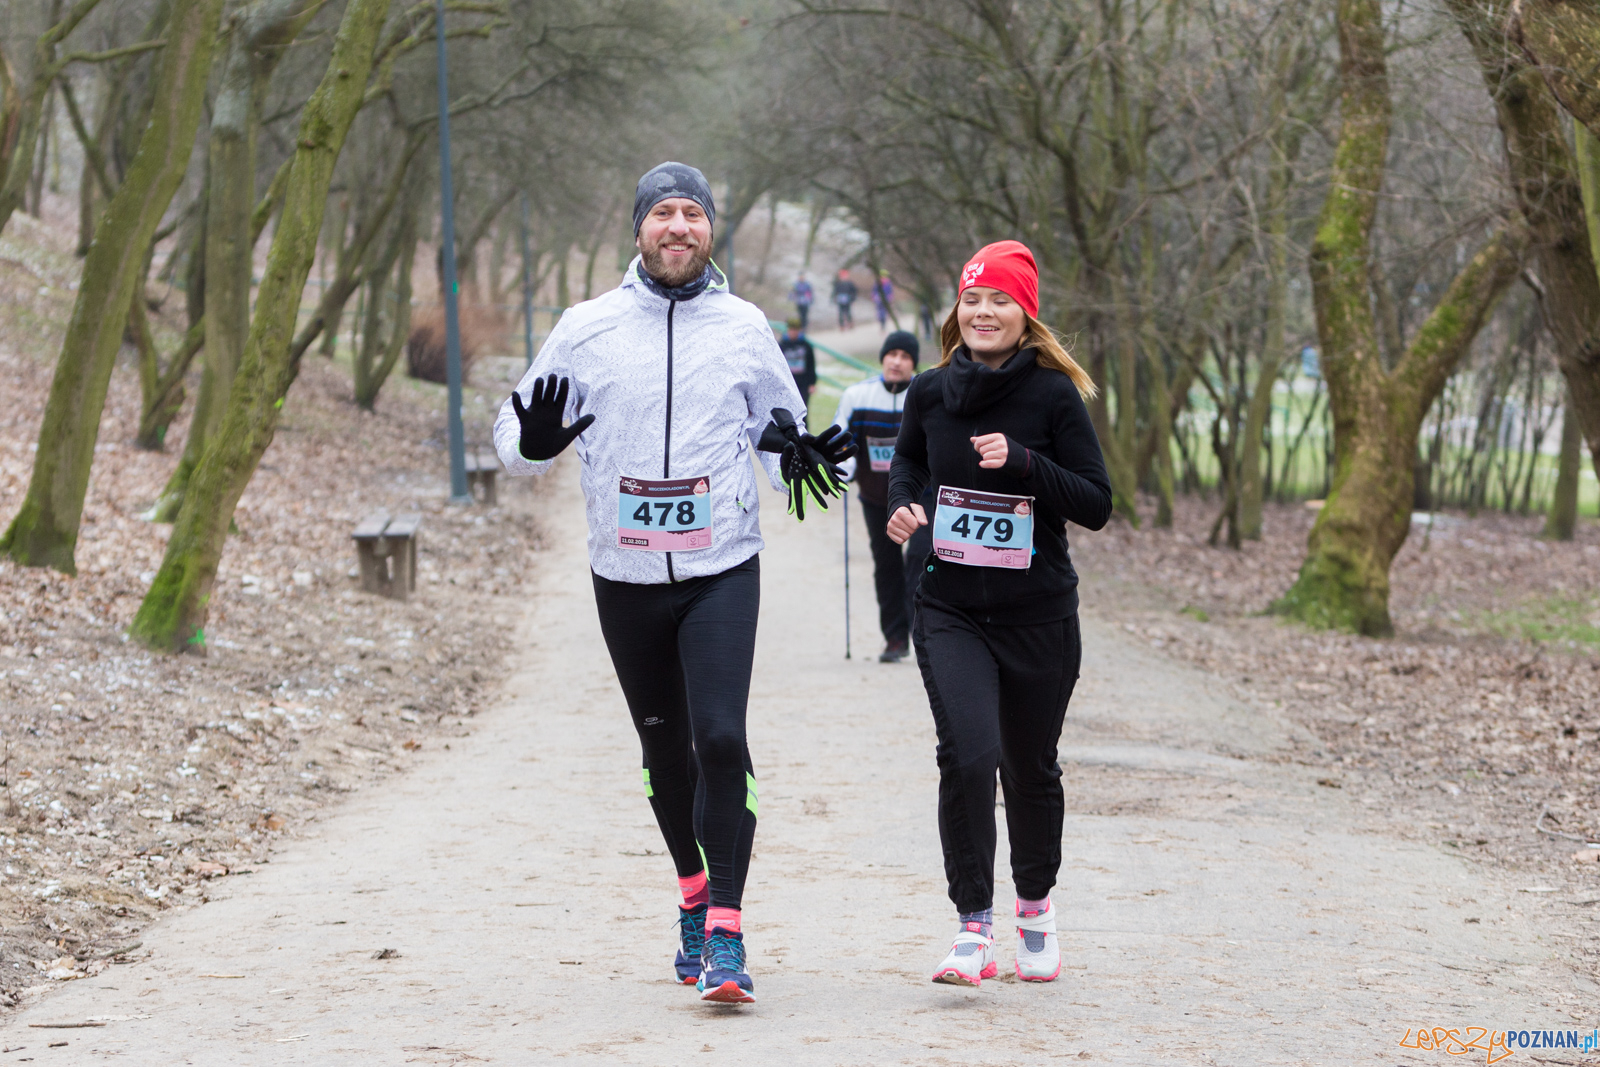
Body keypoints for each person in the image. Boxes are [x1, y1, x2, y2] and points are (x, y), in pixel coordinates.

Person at [494, 162, 854, 1005]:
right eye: (664, 212)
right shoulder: (585, 328)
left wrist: (796, 454)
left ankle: (726, 930)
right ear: (639, 231)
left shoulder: (746, 326)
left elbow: (780, 437)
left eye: (694, 212)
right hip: (624, 575)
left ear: (710, 231)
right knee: (666, 750)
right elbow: (511, 440)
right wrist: (536, 441)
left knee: (721, 737)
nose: (679, 226)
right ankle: (692, 894)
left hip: (721, 566)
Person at [884, 240, 1111, 987]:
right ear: (958, 309)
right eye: (973, 299)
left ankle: (1036, 907)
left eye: (1000, 301)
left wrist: (1023, 463)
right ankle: (973, 922)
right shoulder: (926, 391)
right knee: (969, 755)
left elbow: (1096, 502)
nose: (983, 311)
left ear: (1025, 315)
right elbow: (909, 463)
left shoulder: (1051, 397)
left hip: (1039, 614)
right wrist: (903, 504)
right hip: (950, 607)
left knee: (1029, 766)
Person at [831, 329, 929, 662]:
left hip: (921, 497)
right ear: (883, 358)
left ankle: (924, 633)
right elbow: (842, 442)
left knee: (921, 559)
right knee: (886, 566)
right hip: (877, 497)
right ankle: (895, 639)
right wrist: (842, 471)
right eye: (892, 355)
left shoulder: (925, 395)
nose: (897, 362)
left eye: (905, 357)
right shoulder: (857, 396)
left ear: (913, 363)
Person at [779, 318, 817, 417]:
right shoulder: (781, 345)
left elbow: (811, 364)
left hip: (803, 383)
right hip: (788, 384)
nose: (793, 332)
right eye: (791, 329)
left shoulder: (806, 346)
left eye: (795, 330)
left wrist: (812, 383)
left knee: (803, 411)